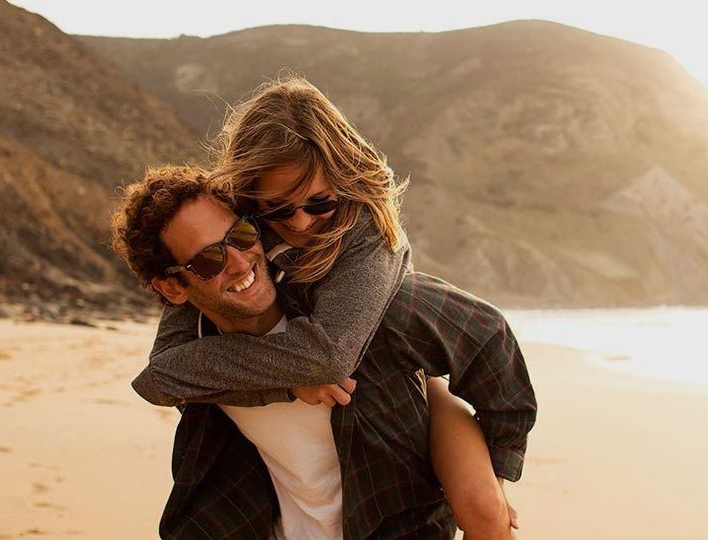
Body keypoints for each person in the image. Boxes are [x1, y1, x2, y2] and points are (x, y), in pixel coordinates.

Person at [118, 77, 535, 539]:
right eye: (278, 209)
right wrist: (285, 383)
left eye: (320, 203)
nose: (300, 223)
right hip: (280, 507)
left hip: (399, 397)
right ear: (250, 202)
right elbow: (162, 375)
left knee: (485, 513)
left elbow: (332, 356)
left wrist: (498, 468)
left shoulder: (370, 244)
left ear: (345, 183)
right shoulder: (232, 251)